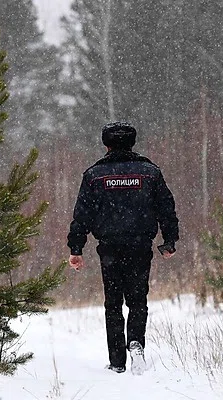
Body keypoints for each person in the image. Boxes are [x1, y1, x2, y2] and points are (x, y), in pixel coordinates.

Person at [67, 121, 179, 375]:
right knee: (138, 300)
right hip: (140, 245)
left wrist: (76, 248)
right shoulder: (150, 172)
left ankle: (117, 361)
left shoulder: (94, 175)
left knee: (113, 303)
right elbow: (166, 209)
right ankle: (136, 343)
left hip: (109, 248)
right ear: (133, 142)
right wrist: (169, 240)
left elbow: (82, 215)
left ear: (106, 145)